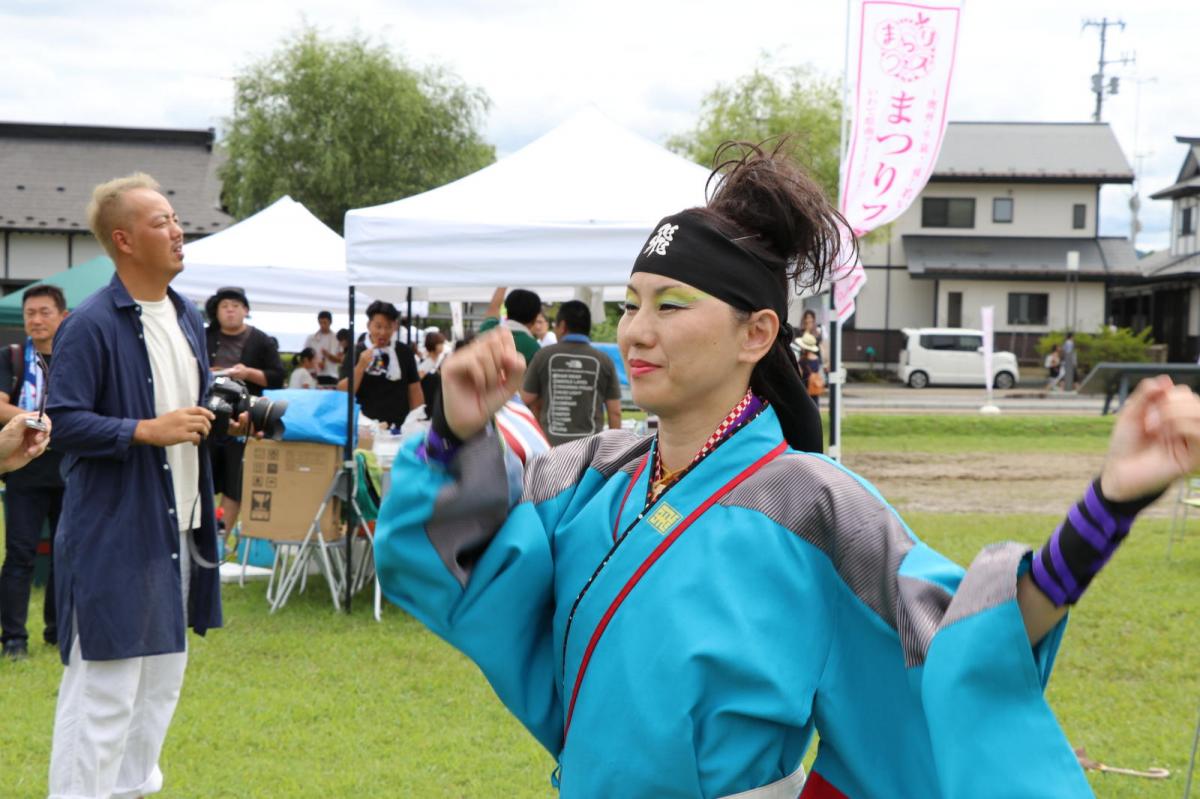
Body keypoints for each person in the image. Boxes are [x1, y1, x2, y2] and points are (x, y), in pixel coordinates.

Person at [372, 143, 1200, 798]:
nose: (636, 330)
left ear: (756, 333)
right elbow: (460, 567)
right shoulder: (582, 476)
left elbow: (958, 639)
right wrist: (451, 431)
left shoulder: (814, 503)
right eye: (631, 303)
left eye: (671, 305)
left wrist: (1110, 504)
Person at [45, 172, 242, 798]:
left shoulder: (185, 314)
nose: (178, 229)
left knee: (160, 685)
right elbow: (64, 422)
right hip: (114, 531)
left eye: (175, 218)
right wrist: (145, 431)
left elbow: (184, 416)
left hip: (179, 524)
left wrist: (218, 423)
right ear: (125, 240)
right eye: (161, 221)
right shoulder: (91, 325)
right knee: (105, 689)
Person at [0, 285, 67, 659]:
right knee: (20, 552)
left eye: (44, 312)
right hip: (23, 465)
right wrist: (41, 421)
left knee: (65, 552)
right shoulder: (11, 357)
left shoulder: (75, 360)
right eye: (30, 313)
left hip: (69, 465)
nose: (36, 320)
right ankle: (13, 639)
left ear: (62, 316)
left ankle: (58, 631)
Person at [203, 286, 284, 534]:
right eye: (224, 306)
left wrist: (247, 373)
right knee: (202, 479)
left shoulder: (261, 340)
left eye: (235, 306)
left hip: (243, 420)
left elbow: (277, 378)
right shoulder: (203, 336)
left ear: (246, 310)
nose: (229, 311)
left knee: (233, 482)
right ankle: (201, 534)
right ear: (216, 312)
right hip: (206, 416)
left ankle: (220, 538)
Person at [520, 300, 621, 446]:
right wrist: (613, 451)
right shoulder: (604, 360)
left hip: (551, 449)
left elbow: (526, 398)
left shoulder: (543, 355)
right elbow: (615, 412)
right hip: (590, 451)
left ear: (563, 326)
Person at [338, 300, 422, 426]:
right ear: (369, 325)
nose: (383, 332)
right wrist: (361, 366)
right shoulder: (356, 351)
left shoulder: (404, 351)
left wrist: (417, 418)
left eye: (388, 327)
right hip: (365, 426)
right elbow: (343, 391)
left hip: (399, 426)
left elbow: (414, 389)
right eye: (378, 326)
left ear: (395, 326)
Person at [480, 287, 542, 365]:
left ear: (506, 309)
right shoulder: (535, 349)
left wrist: (503, 282)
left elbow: (493, 308)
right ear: (535, 318)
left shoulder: (487, 332)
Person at [304, 310, 342, 386]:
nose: (322, 325)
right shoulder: (311, 338)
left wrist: (328, 355)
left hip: (331, 374)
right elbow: (305, 358)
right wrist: (317, 363)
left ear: (330, 322)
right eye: (320, 322)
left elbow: (340, 360)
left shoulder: (337, 338)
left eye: (325, 323)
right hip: (314, 374)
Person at [418, 331, 448, 413]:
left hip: (436, 403)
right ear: (433, 344)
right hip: (427, 404)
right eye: (440, 343)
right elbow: (417, 383)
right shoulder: (426, 364)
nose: (442, 346)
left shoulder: (437, 362)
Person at [797, 331, 824, 398]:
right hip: (815, 386)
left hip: (805, 388)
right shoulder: (817, 359)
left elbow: (800, 373)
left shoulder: (802, 360)